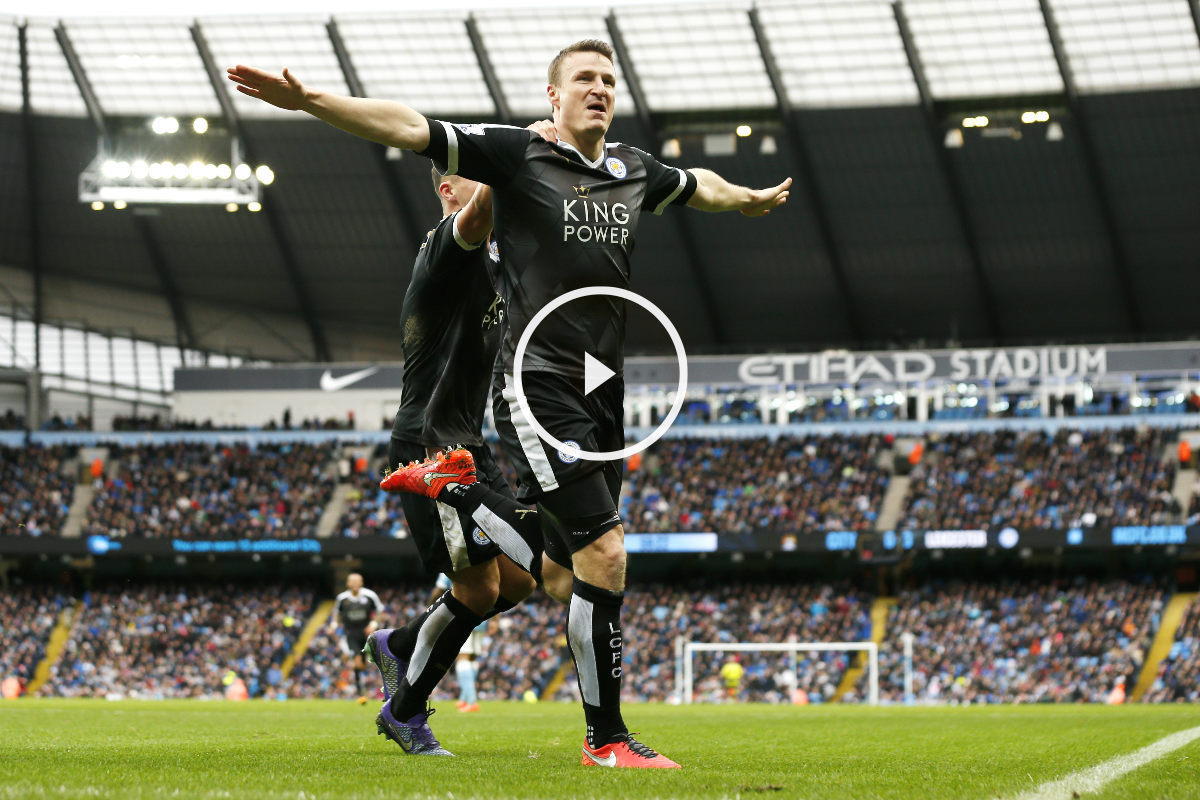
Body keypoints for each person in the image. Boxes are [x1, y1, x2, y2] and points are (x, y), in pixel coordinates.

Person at [228, 38, 788, 769]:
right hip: (443, 431)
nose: (600, 88)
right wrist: (313, 103)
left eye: (608, 79)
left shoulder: (597, 192)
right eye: (583, 78)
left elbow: (691, 183)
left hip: (573, 396)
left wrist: (743, 200)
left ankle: (401, 663)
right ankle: (589, 733)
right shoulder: (456, 237)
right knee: (561, 562)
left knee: (534, 579)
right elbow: (412, 131)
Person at [328, 573, 384, 703]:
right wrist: (334, 624)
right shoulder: (342, 598)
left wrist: (373, 624)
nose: (354, 584)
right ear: (347, 584)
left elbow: (380, 611)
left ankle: (385, 690)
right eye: (351, 581)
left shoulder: (370, 596)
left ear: (361, 583)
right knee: (358, 663)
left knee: (367, 663)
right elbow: (336, 613)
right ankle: (361, 693)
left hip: (368, 633)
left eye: (357, 581)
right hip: (351, 633)